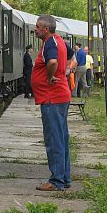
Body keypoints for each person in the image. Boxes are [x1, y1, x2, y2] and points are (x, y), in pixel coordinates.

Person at [31, 15, 74, 191]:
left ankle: (56, 181)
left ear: (46, 29)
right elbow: (72, 56)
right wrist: (67, 70)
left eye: (38, 27)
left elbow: (53, 61)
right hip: (59, 97)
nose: (35, 29)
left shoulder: (50, 43)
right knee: (61, 137)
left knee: (54, 138)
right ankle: (64, 178)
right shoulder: (60, 41)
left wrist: (50, 76)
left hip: (52, 98)